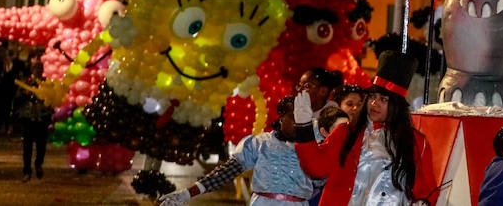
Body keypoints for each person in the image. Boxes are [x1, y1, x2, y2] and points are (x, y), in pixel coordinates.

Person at [293, 50, 438, 206]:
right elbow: (316, 168)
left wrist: (423, 202)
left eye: (383, 99)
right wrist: (304, 127)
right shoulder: (346, 132)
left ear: (396, 106)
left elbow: (426, 190)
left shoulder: (416, 142)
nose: (375, 104)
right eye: (372, 97)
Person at [159, 95, 317, 206]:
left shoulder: (314, 146)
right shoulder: (259, 143)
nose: (299, 123)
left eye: (304, 118)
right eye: (294, 117)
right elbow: (224, 174)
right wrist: (187, 194)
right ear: (281, 117)